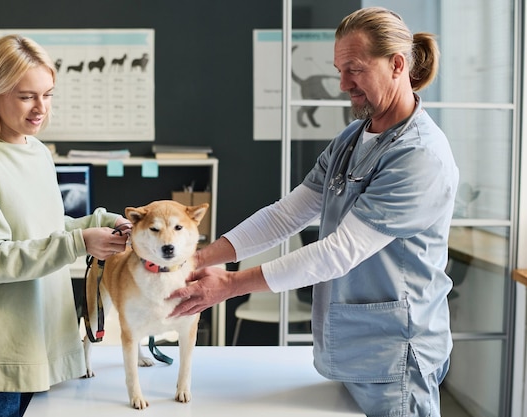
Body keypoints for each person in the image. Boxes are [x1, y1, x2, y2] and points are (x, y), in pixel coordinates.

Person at [170, 7, 458, 416]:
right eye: (339, 70)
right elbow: (286, 216)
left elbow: (337, 252)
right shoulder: (353, 137)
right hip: (358, 344)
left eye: (354, 70)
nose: (342, 84)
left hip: (396, 354)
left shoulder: (419, 156)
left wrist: (230, 285)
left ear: (397, 64)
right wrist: (198, 258)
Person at [0, 34, 131, 417]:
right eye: (26, 96)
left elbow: (42, 227)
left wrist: (100, 222)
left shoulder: (37, 150)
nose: (41, 108)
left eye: (48, 94)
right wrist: (79, 243)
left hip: (39, 346)